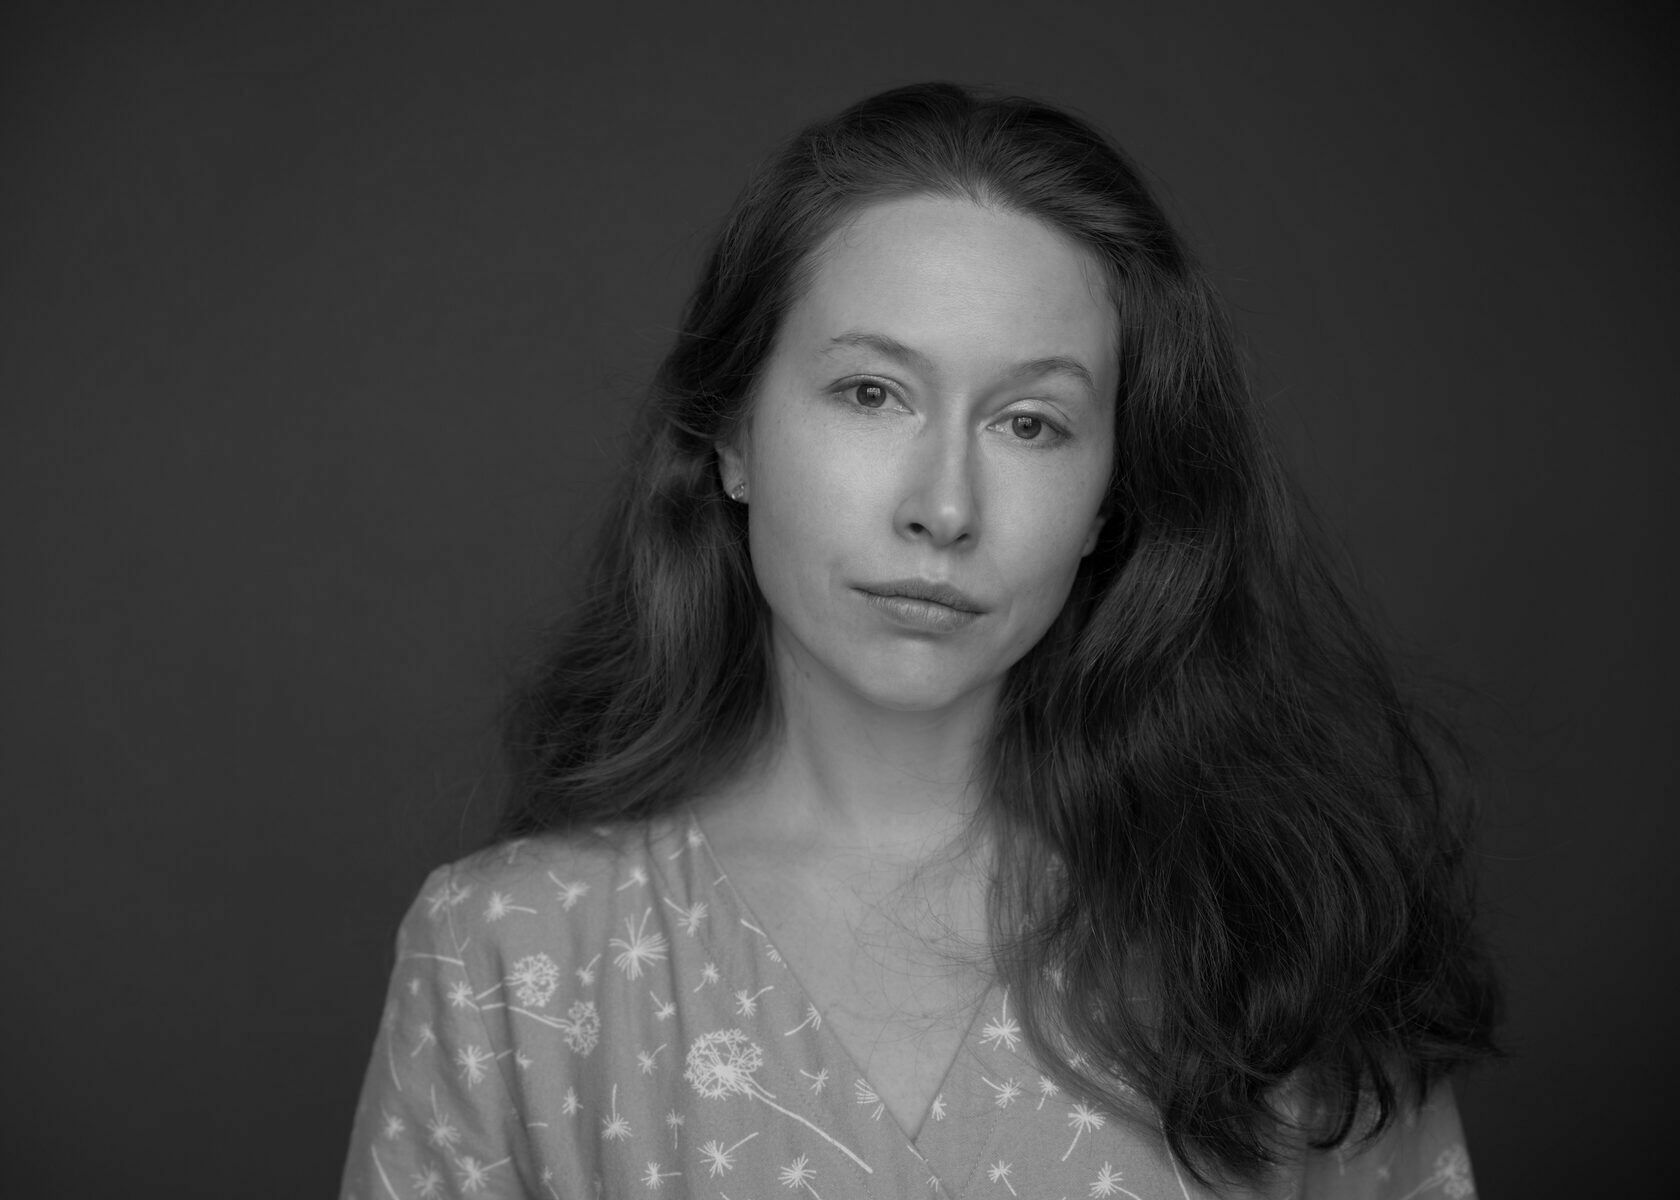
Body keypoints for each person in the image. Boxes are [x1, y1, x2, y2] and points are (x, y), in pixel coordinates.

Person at [340, 82, 1499, 1199]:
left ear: (1111, 500)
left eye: (1030, 422)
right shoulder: (511, 952)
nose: (944, 508)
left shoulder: (1283, 940)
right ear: (735, 437)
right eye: (870, 394)